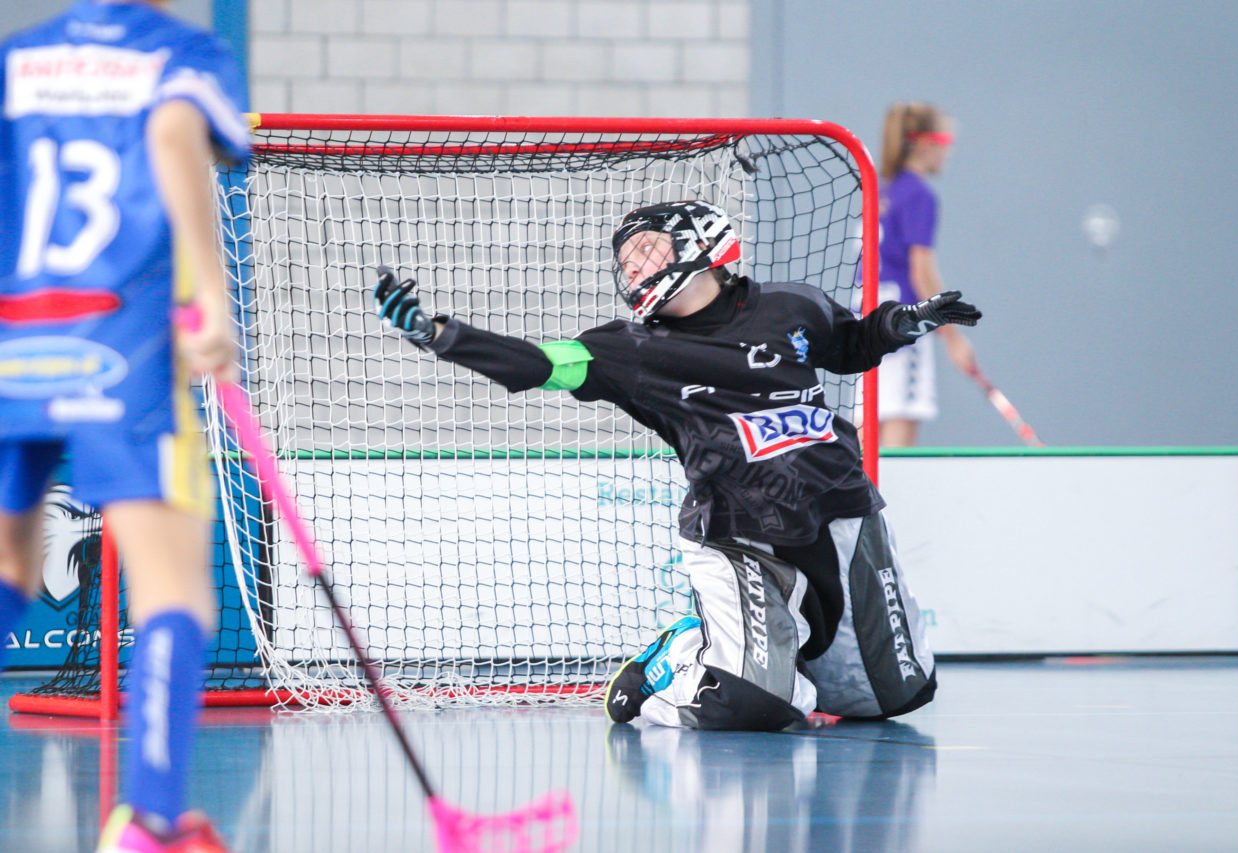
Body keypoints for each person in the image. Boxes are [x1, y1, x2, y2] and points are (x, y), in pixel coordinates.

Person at [373, 199, 980, 731]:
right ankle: (672, 663)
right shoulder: (631, 349)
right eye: (626, 262)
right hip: (738, 534)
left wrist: (904, 322)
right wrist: (441, 334)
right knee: (752, 707)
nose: (631, 267)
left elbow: (848, 346)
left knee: (896, 698)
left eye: (645, 250)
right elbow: (538, 363)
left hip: (842, 512)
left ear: (700, 244)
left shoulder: (791, 305)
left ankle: (772, 652)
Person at [0, 2, 249, 850]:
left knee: (8, 566)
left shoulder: (20, 55)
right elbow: (175, 138)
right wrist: (212, 299)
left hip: (18, 341)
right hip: (121, 350)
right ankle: (150, 821)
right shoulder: (178, 52)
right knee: (174, 590)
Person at [874, 101, 978, 447]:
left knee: (870, 423)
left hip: (868, 317)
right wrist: (953, 338)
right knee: (899, 424)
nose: (948, 152)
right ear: (924, 143)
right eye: (946, 142)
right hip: (903, 320)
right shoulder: (919, 194)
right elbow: (922, 272)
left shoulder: (883, 189)